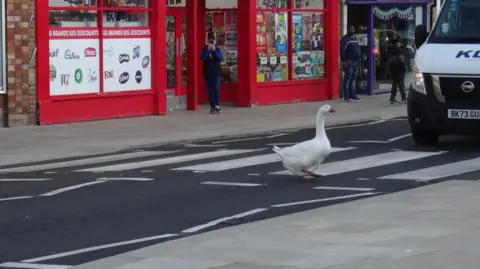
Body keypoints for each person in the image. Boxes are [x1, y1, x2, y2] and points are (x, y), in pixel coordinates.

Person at [200, 39, 224, 114]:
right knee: (210, 91)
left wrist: (213, 50)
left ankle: (217, 105)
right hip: (208, 73)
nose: (210, 44)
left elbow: (220, 58)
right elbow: (202, 58)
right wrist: (208, 50)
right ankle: (212, 106)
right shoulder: (204, 50)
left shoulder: (217, 49)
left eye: (212, 42)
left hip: (216, 73)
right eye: (209, 42)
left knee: (216, 88)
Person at [340, 25, 361, 102]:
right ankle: (346, 97)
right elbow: (342, 51)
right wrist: (344, 61)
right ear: (348, 30)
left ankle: (352, 95)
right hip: (349, 62)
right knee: (347, 79)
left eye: (353, 29)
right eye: (350, 29)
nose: (352, 30)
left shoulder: (355, 38)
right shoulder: (344, 39)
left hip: (356, 61)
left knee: (353, 79)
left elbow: (358, 48)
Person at [388, 39, 407, 104]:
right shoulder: (398, 51)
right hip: (399, 68)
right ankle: (403, 98)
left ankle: (392, 98)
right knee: (401, 84)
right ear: (397, 43)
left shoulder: (391, 50)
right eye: (399, 43)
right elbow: (401, 60)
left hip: (393, 69)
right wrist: (404, 68)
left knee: (395, 84)